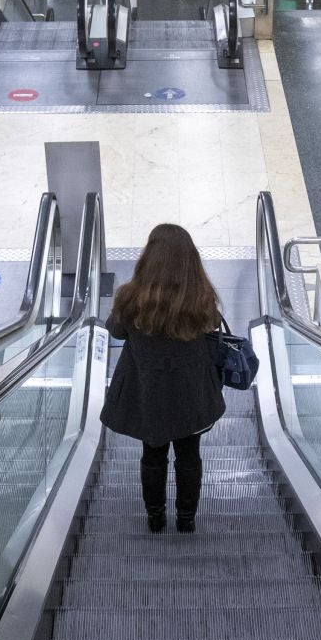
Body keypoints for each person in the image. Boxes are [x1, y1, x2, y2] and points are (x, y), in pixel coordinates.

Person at [101, 223, 226, 533]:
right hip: (191, 395)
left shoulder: (131, 298)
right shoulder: (202, 298)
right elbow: (211, 329)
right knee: (189, 456)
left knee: (152, 454)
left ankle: (155, 517)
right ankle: (186, 519)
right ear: (190, 260)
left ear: (149, 258)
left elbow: (114, 331)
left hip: (148, 393)